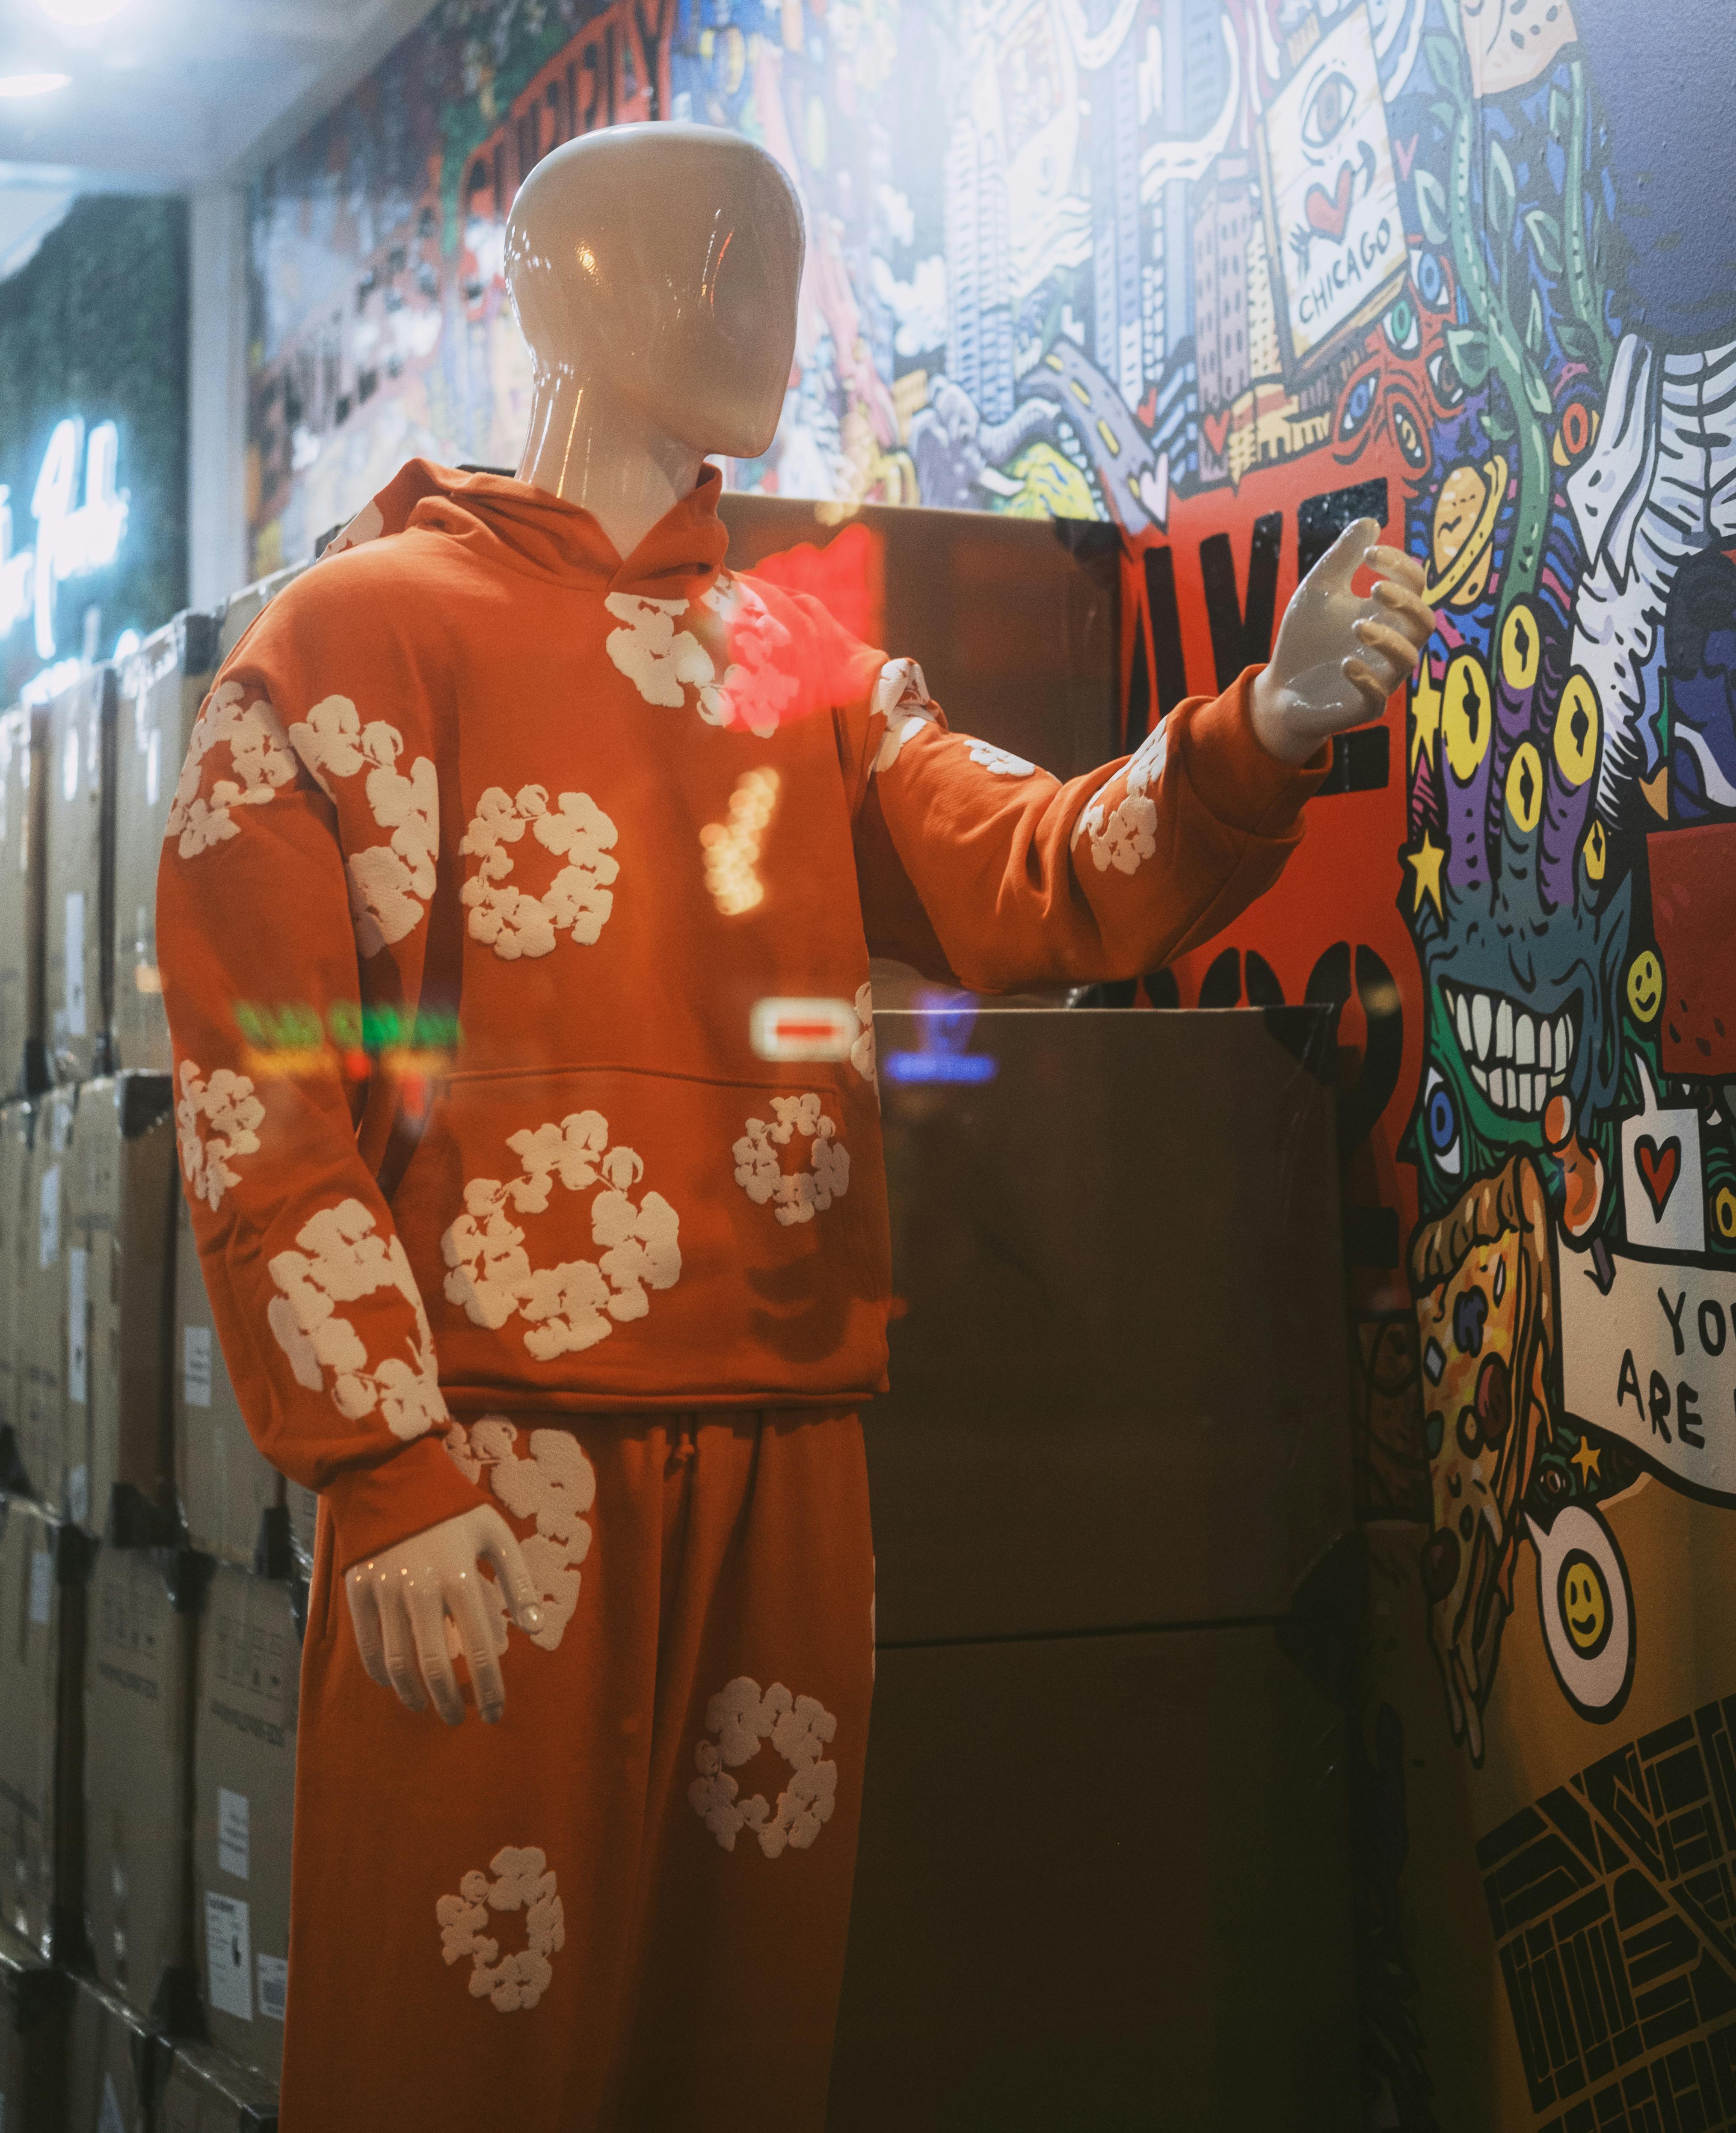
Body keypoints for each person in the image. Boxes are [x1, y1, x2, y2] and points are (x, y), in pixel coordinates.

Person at [158, 123, 1433, 2129]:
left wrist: (1250, 738)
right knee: (451, 2058)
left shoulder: (803, 666)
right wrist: (380, 1463)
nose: (754, 292)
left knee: (736, 2059)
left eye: (772, 252)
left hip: (789, 1446)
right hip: (497, 1459)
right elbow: (263, 1098)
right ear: (564, 291)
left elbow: (1031, 874)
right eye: (702, 250)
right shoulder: (344, 646)